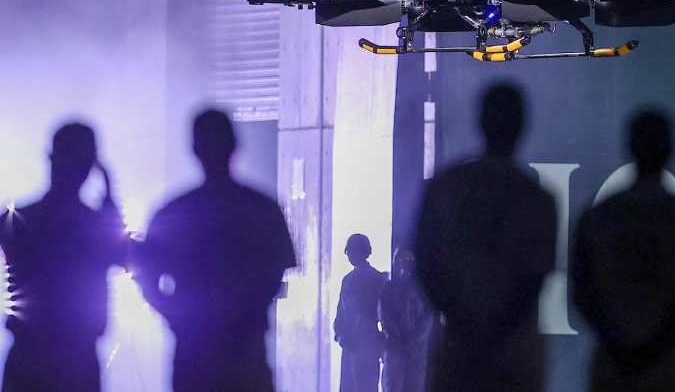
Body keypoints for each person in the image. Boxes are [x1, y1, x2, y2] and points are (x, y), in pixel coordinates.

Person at [137, 109, 297, 392]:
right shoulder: (261, 208)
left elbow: (147, 280)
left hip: (193, 356)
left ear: (194, 149)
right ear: (235, 145)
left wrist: (177, 317)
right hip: (246, 355)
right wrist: (244, 311)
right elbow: (274, 276)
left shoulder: (174, 212)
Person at [414, 83, 558, 391]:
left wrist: (462, 321)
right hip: (515, 352)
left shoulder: (447, 186)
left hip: (459, 346)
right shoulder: (535, 196)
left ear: (479, 121)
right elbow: (535, 278)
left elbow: (426, 265)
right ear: (523, 125)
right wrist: (497, 331)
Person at [570, 110, 675, 392]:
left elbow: (582, 290)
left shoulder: (599, 217)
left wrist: (618, 344)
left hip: (613, 367)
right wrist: (655, 346)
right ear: (673, 149)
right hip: (671, 368)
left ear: (628, 146)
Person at [0, 123, 127, 392]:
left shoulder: (17, 221)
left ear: (51, 157)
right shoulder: (93, 226)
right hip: (76, 361)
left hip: (27, 359)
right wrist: (110, 204)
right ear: (90, 165)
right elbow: (127, 258)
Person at [334, 233, 386, 392]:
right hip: (350, 342)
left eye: (352, 251)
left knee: (365, 387)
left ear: (364, 251)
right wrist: (340, 333)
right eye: (348, 252)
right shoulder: (347, 279)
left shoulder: (377, 279)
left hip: (366, 341)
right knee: (349, 386)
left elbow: (381, 313)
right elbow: (341, 311)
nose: (349, 255)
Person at [379, 246, 433, 392]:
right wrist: (397, 338)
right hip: (395, 347)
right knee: (392, 386)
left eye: (408, 258)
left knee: (414, 386)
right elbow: (384, 316)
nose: (404, 262)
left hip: (416, 349)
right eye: (400, 258)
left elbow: (428, 317)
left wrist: (413, 340)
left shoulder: (424, 289)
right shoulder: (389, 287)